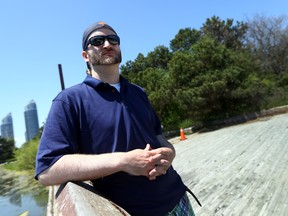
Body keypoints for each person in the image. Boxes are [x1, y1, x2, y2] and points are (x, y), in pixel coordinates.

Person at [35, 21, 200, 215]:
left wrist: (169, 154)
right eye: (97, 41)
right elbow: (47, 170)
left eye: (112, 39)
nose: (107, 44)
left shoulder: (138, 92)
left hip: (178, 199)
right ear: (85, 56)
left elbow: (159, 137)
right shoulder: (69, 101)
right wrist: (122, 161)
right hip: (133, 211)